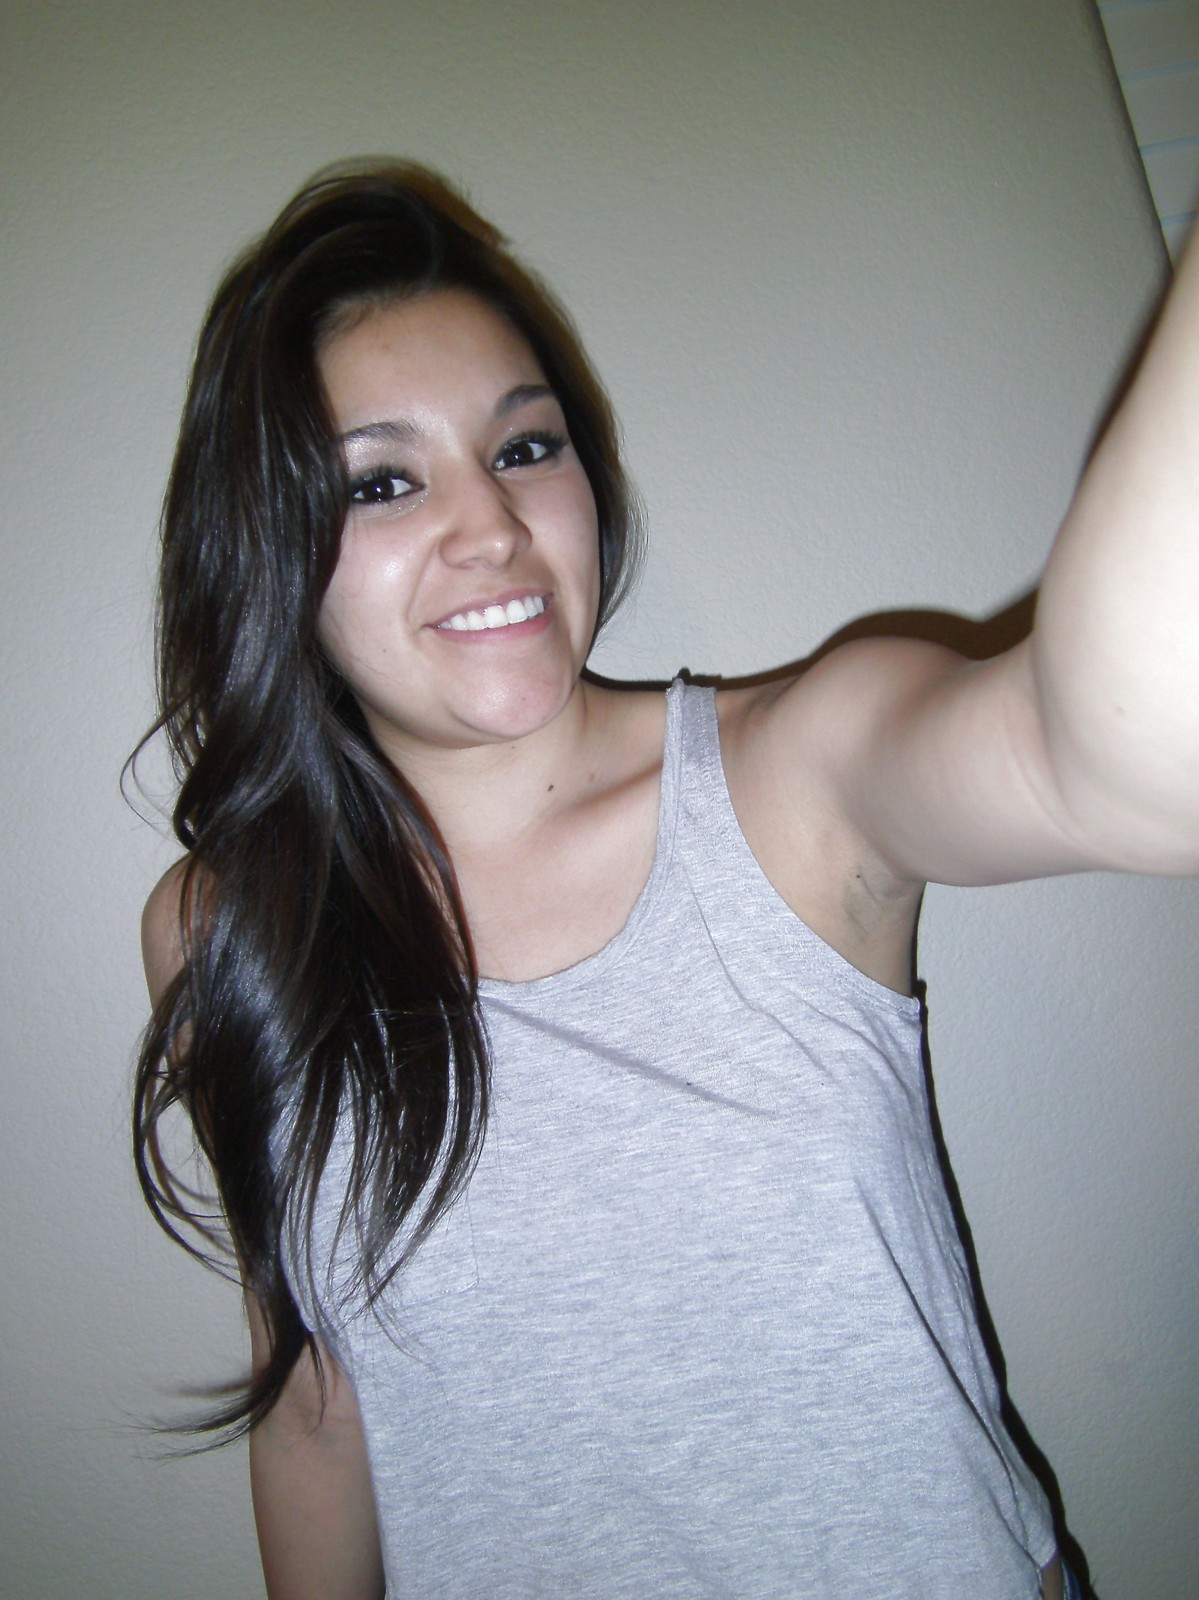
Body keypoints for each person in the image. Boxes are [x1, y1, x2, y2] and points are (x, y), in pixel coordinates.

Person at [136, 161, 1198, 1600]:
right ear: (267, 548)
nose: (492, 528)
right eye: (382, 481)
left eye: (525, 448)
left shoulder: (794, 778)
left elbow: (1125, 760)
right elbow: (318, 1400)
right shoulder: (225, 931)